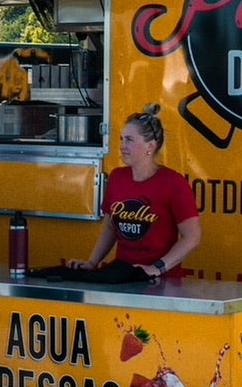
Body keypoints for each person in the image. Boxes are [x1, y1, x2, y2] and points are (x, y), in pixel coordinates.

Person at [68, 105, 201, 280]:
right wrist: (92, 262)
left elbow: (193, 237)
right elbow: (110, 227)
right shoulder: (117, 177)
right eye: (122, 139)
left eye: (129, 140)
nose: (122, 146)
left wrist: (157, 268)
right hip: (122, 276)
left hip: (161, 282)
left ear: (151, 146)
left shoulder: (173, 183)